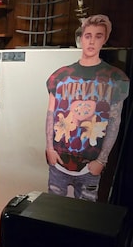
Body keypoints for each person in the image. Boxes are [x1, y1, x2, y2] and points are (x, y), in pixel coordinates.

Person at [45, 14, 130, 201]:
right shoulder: (59, 76)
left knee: (84, 216)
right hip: (59, 161)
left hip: (90, 164)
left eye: (98, 36)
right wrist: (49, 149)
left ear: (105, 39)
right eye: (88, 35)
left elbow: (115, 122)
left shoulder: (116, 78)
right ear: (81, 38)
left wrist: (102, 160)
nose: (91, 41)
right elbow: (51, 114)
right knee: (53, 211)